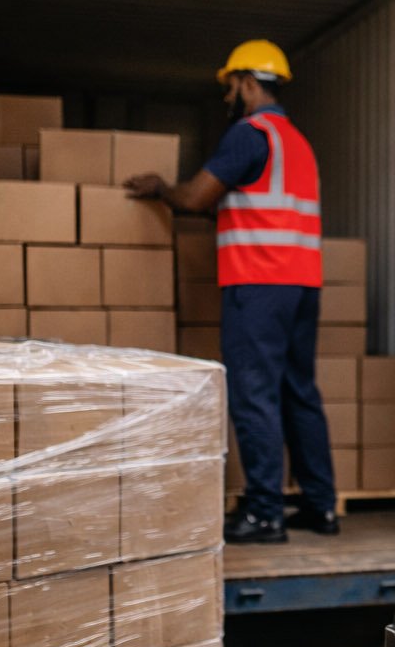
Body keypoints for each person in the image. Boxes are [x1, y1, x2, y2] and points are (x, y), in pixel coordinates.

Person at [126, 39, 339, 544]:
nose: (230, 97)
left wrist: (161, 187)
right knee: (298, 393)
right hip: (301, 285)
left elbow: (197, 198)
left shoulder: (249, 134)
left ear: (247, 83)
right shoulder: (298, 142)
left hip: (259, 284)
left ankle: (266, 513)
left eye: (231, 87)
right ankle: (320, 507)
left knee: (254, 394)